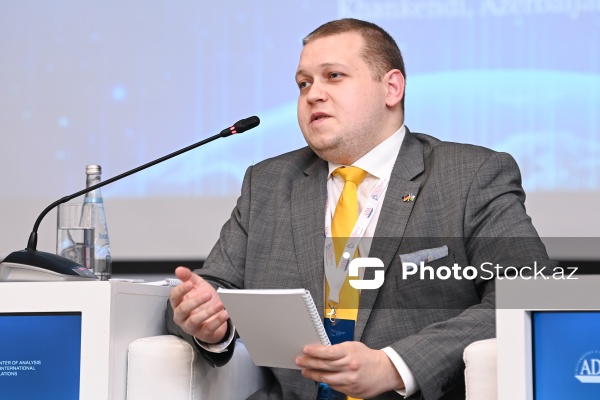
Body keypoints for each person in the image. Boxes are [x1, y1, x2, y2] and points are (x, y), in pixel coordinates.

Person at [166, 18, 550, 400]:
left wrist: (394, 366)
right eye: (303, 83)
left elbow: (526, 294)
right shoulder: (268, 183)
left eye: (333, 76)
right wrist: (206, 322)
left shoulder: (469, 176)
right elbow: (207, 293)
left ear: (392, 88)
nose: (313, 94)